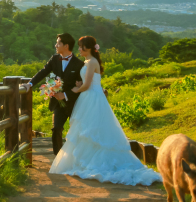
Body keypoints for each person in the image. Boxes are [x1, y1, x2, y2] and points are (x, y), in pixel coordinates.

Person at [49, 35, 162, 185]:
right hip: (89, 97)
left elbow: (87, 85)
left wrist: (75, 89)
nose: (79, 49)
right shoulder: (88, 62)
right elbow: (88, 81)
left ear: (87, 48)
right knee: (87, 129)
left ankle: (94, 161)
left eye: (81, 47)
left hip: (91, 98)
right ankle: (86, 159)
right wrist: (79, 83)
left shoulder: (91, 62)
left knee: (93, 129)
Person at [22, 33, 84, 155]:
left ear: (66, 46)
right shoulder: (54, 59)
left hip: (74, 103)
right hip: (57, 103)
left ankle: (77, 156)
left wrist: (65, 95)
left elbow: (80, 86)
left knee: (77, 130)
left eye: (58, 43)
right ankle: (58, 157)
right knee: (56, 128)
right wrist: (29, 84)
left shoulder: (79, 64)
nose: (55, 45)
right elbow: (43, 72)